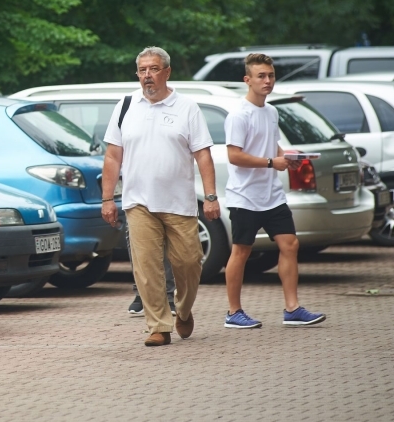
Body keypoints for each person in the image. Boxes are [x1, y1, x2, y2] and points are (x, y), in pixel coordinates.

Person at [101, 46, 220, 347]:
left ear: (167, 72)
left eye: (153, 69)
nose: (147, 76)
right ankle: (158, 325)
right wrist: (107, 199)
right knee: (146, 266)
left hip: (178, 203)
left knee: (189, 263)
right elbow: (114, 156)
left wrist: (210, 196)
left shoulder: (187, 108)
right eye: (142, 70)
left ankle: (184, 309)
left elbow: (203, 155)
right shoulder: (126, 105)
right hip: (138, 202)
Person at [223, 53, 326, 329]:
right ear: (248, 80)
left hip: (272, 196)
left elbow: (272, 145)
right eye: (261, 76)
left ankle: (292, 309)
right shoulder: (238, 114)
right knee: (242, 251)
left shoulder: (271, 111)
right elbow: (234, 155)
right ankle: (234, 313)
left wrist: (289, 156)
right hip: (245, 196)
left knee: (290, 244)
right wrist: (271, 162)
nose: (267, 81)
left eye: (270, 75)